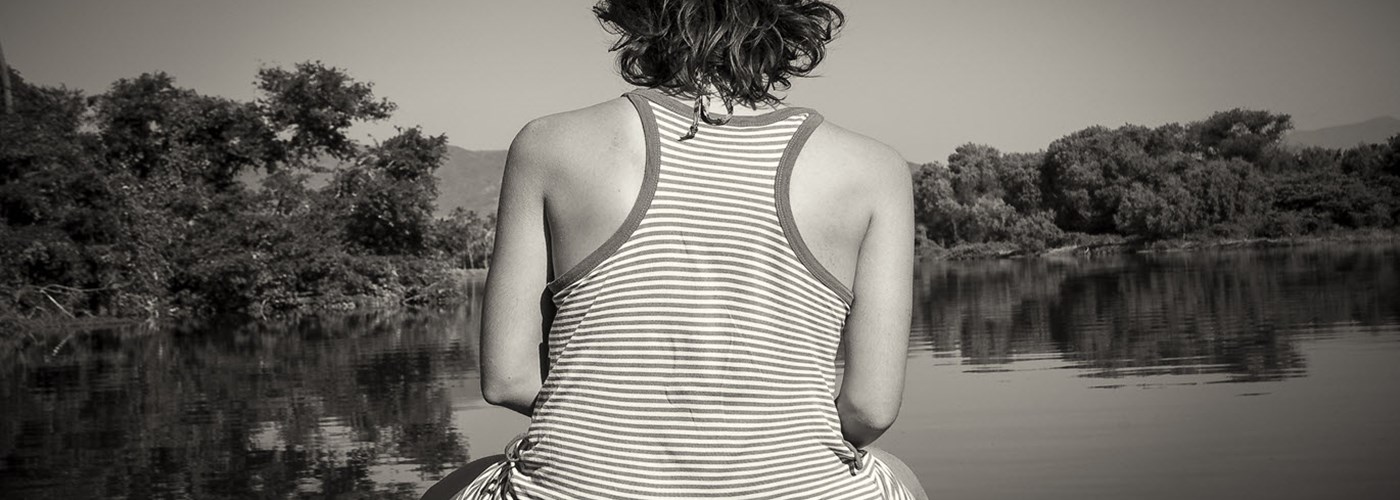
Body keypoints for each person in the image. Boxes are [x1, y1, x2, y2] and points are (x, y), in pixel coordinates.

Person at [423, 1, 925, 498]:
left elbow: (508, 380)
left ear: (639, 15)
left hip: (581, 489)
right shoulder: (875, 169)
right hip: (799, 488)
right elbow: (870, 410)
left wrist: (624, 432)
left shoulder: (547, 144)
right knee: (899, 473)